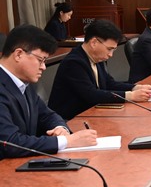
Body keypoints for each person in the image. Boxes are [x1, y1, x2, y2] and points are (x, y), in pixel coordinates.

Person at [0, 25, 97, 159]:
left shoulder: (22, 83)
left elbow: (47, 115)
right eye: (40, 60)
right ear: (18, 54)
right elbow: (9, 143)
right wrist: (66, 141)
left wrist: (60, 128)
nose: (44, 67)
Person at [48, 19, 151, 120]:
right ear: (94, 42)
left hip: (92, 113)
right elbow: (91, 95)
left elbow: (109, 83)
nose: (111, 55)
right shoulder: (74, 62)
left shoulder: (96, 58)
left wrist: (135, 87)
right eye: (109, 49)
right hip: (70, 120)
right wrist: (130, 96)